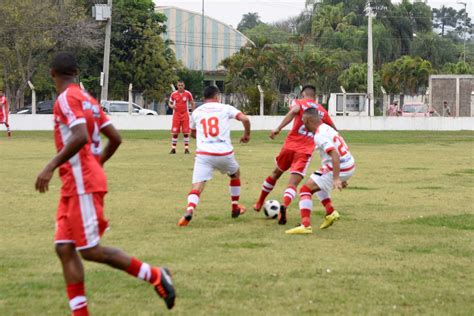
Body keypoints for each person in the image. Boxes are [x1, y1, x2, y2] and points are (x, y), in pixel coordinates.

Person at [35, 53, 175, 315]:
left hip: (82, 183)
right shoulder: (88, 100)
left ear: (52, 73)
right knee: (64, 247)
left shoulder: (65, 99)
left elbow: (80, 136)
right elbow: (115, 138)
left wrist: (50, 165)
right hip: (78, 182)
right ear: (76, 72)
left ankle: (155, 275)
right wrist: (96, 165)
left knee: (89, 250)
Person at [253, 85, 336, 225]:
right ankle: (283, 206)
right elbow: (333, 128)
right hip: (304, 151)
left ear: (303, 94)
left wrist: (278, 128)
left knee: (275, 173)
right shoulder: (321, 110)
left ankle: (259, 203)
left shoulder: (300, 103)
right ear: (315, 96)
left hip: (289, 146)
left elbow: (294, 112)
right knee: (292, 184)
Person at [177, 85, 251, 226]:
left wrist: (203, 137)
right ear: (217, 96)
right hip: (224, 152)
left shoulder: (197, 112)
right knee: (235, 174)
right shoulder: (226, 108)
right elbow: (245, 119)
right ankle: (235, 207)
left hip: (204, 154)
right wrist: (247, 134)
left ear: (204, 98)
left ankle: (190, 210)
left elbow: (192, 132)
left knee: (197, 185)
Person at [286, 108, 355, 234]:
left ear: (308, 120)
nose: (302, 123)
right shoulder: (327, 128)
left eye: (303, 120)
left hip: (340, 165)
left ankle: (305, 225)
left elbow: (334, 154)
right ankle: (330, 212)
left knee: (305, 190)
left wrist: (336, 178)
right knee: (317, 181)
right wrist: (343, 176)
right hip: (348, 163)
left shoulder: (319, 135)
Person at [169, 81, 196, 154]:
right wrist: (172, 106)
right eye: (179, 85)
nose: (180, 86)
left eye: (182, 85)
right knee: (175, 133)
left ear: (184, 86)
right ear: (177, 86)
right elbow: (170, 103)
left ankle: (186, 149)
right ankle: (173, 149)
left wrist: (193, 112)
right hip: (176, 115)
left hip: (185, 115)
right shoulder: (173, 94)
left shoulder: (188, 93)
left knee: (186, 132)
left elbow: (192, 102)